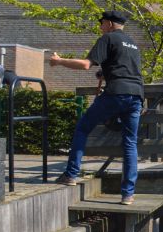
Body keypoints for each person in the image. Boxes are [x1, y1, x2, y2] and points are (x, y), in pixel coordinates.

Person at [50, 10, 143, 205]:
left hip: (116, 93)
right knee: (130, 143)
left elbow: (85, 65)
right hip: (136, 95)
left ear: (109, 23)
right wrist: (104, 73)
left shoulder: (107, 38)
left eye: (101, 23)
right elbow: (124, 67)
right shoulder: (132, 44)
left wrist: (59, 62)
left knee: (83, 128)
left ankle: (71, 174)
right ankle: (128, 194)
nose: (100, 27)